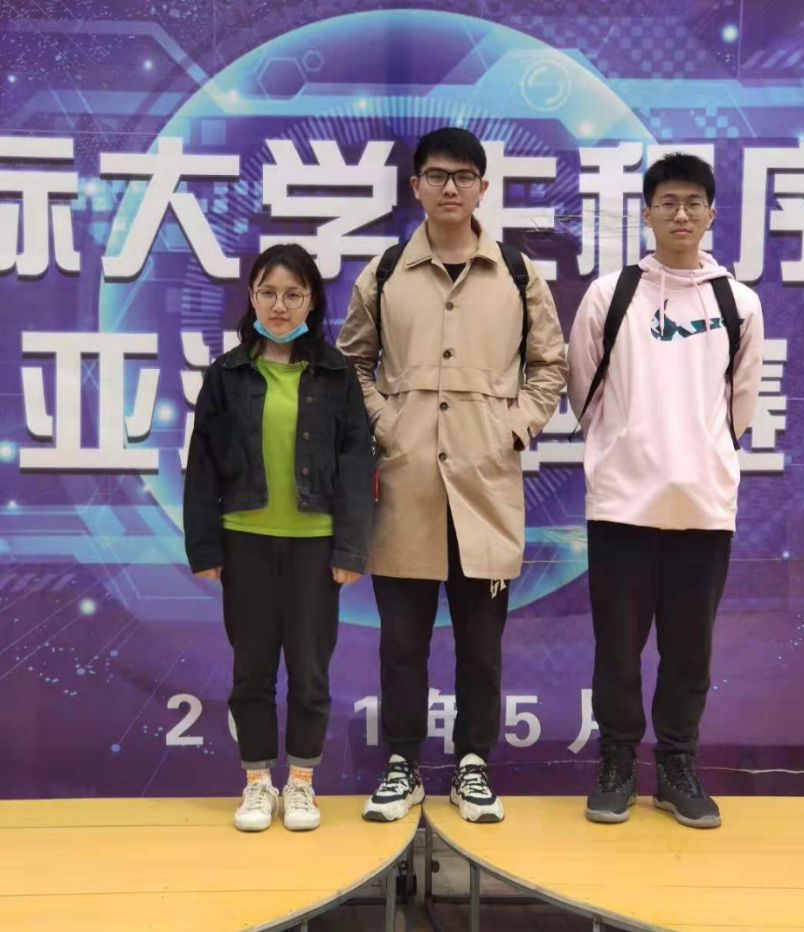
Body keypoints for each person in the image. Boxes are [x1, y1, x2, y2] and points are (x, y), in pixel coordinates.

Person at [338, 127, 567, 824]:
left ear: (482, 188)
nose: (449, 188)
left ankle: (472, 764)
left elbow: (550, 365)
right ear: (415, 186)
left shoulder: (517, 273)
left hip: (484, 485)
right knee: (402, 643)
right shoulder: (383, 273)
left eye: (463, 176)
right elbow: (351, 363)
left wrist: (514, 428)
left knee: (481, 646)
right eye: (436, 175)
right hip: (405, 485)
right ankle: (402, 765)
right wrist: (387, 425)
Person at [567, 153, 764, 829]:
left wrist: (696, 454)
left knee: (689, 650)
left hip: (702, 508)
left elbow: (739, 407)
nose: (681, 214)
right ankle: (617, 764)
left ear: (711, 213)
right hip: (621, 506)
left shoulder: (737, 302)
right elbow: (584, 392)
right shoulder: (610, 295)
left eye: (693, 203)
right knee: (616, 649)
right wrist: (629, 448)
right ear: (647, 213)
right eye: (667, 203)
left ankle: (676, 766)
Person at [184, 244, 374, 833]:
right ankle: (256, 783)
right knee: (252, 670)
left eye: (293, 294)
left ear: (312, 301)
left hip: (315, 546)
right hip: (244, 540)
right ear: (252, 297)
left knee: (311, 671)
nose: (280, 305)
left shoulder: (336, 374)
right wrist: (205, 548)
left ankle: (301, 784)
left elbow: (356, 466)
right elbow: (202, 466)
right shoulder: (227, 374)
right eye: (268, 292)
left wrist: (350, 548)